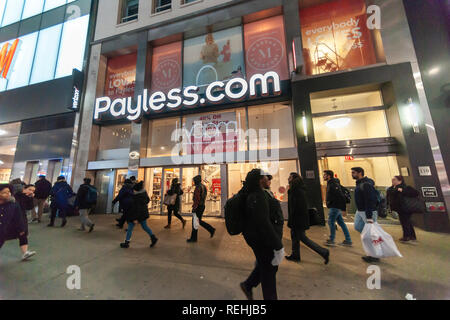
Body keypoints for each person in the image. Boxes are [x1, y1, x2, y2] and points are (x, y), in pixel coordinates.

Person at [239, 169, 284, 300]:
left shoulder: (261, 194)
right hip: (262, 240)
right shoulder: (258, 196)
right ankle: (251, 287)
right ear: (260, 180)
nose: (268, 179)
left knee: (266, 266)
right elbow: (263, 223)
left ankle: (248, 285)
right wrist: (278, 245)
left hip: (261, 238)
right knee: (269, 271)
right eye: (265, 177)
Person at [285, 172, 329, 264]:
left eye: (289, 177)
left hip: (297, 220)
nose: (288, 178)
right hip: (297, 219)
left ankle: (323, 252)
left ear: (293, 178)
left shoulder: (296, 191)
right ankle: (295, 255)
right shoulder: (297, 189)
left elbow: (297, 207)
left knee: (303, 238)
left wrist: (293, 220)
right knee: (295, 238)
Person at [0, 184, 36, 261]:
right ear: (24, 189)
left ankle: (25, 252)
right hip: (6, 224)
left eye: (9, 192)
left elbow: (29, 207)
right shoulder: (17, 196)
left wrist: (30, 198)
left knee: (23, 234)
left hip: (15, 220)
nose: (8, 194)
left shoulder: (13, 203)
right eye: (30, 189)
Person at [351, 167, 379, 263]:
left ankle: (374, 255)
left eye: (353, 173)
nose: (352, 174)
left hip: (368, 211)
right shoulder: (359, 183)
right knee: (358, 226)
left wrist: (369, 216)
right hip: (360, 211)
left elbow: (370, 200)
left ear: (360, 173)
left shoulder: (366, 184)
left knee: (372, 234)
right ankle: (371, 246)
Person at [120, 181, 158, 248]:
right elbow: (146, 201)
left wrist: (135, 218)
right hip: (143, 214)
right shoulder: (144, 194)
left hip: (136, 215)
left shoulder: (136, 198)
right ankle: (153, 237)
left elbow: (137, 209)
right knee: (145, 227)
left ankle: (127, 242)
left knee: (130, 228)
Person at [323, 170, 352, 247]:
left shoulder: (333, 184)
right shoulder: (331, 183)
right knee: (341, 223)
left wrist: (343, 209)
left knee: (331, 222)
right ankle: (348, 240)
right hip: (335, 206)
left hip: (335, 207)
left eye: (325, 175)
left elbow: (340, 196)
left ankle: (331, 240)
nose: (323, 176)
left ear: (329, 176)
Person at [387, 175, 418, 242]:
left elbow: (416, 193)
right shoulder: (392, 188)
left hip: (405, 207)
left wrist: (402, 191)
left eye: (394, 179)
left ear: (400, 181)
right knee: (407, 222)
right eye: (392, 179)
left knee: (405, 222)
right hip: (400, 208)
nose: (393, 181)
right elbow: (390, 194)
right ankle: (412, 236)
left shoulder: (405, 187)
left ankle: (406, 236)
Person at [187, 175, 215, 243]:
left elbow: (197, 198)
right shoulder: (204, 186)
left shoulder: (198, 187)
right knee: (197, 221)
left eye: (194, 181)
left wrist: (194, 207)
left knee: (195, 222)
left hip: (198, 206)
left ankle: (194, 238)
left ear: (196, 181)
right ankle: (210, 230)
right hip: (202, 205)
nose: (193, 182)